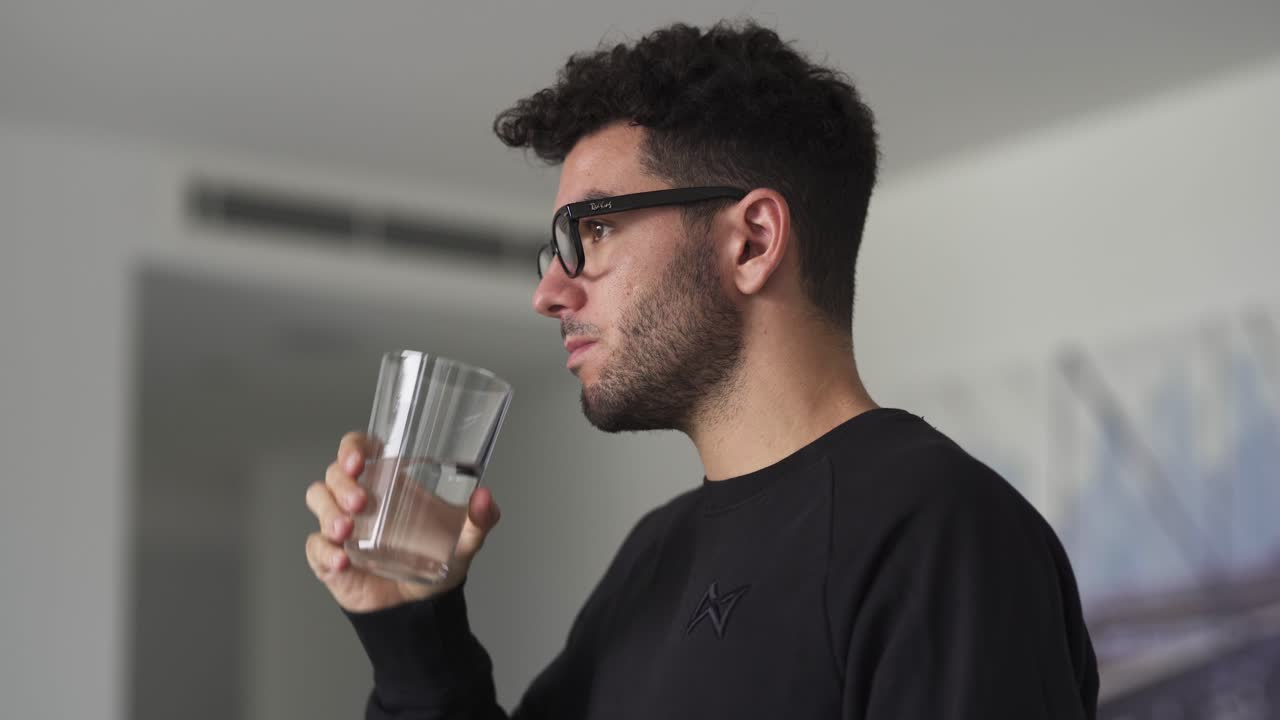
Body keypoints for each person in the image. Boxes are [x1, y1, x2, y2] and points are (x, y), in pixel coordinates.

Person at [304, 20, 1099, 719]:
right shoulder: (655, 556)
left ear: (751, 241)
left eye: (595, 231)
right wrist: (415, 629)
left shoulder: (940, 533)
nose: (550, 291)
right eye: (558, 249)